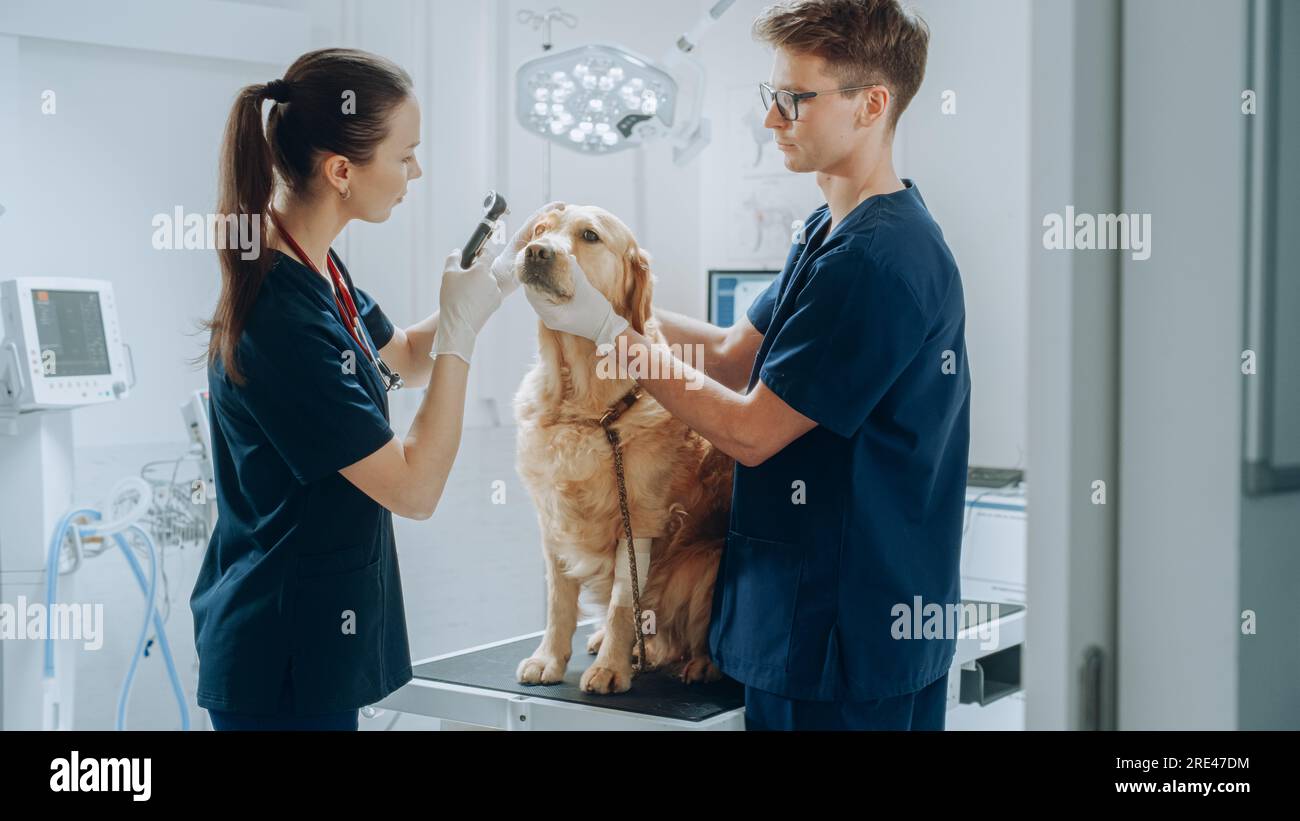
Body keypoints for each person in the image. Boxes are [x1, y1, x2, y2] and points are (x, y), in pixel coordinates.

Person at [526, 0, 970, 730]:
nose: (773, 120)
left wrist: (614, 332)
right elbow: (736, 356)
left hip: (842, 638)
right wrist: (604, 294)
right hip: (800, 623)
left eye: (795, 100)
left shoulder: (876, 262)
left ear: (872, 104)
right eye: (773, 96)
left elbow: (750, 429)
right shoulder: (828, 231)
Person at [190, 47, 555, 731]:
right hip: (282, 657)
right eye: (405, 155)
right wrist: (463, 333)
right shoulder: (281, 315)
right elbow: (414, 488)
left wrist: (497, 281)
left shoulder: (317, 267)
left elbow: (406, 357)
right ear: (341, 171)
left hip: (314, 641)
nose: (414, 172)